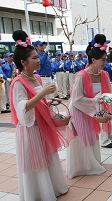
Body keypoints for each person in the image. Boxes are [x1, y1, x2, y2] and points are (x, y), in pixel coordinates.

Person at [10, 30, 68, 201]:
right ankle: (38, 194)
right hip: (30, 129)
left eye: (37, 57)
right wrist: (42, 94)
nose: (38, 60)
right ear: (23, 62)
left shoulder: (37, 78)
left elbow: (39, 103)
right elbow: (22, 108)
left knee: (48, 157)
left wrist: (50, 102)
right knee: (35, 162)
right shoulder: (18, 82)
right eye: (34, 58)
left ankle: (52, 187)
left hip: (42, 125)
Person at [67, 34, 112, 178]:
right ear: (93, 60)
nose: (105, 62)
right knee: (83, 138)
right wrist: (94, 102)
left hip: (93, 109)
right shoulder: (81, 76)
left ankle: (92, 163)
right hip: (81, 111)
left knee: (92, 136)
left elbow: (111, 91)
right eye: (103, 60)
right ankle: (82, 166)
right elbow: (76, 99)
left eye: (105, 59)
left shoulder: (103, 74)